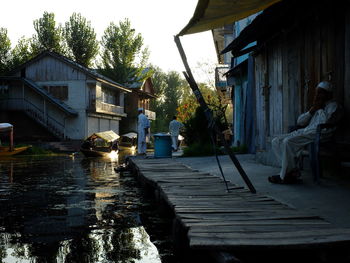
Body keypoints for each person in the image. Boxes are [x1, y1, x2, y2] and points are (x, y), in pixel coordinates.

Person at [268, 81, 342, 184]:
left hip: (320, 134)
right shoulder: (316, 106)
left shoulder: (334, 106)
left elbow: (326, 123)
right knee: (276, 141)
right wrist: (312, 110)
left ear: (328, 94)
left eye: (320, 93)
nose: (317, 95)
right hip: (306, 132)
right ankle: (292, 172)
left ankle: (283, 176)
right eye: (317, 93)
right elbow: (300, 122)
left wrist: (320, 109)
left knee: (288, 142)